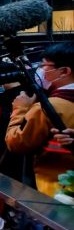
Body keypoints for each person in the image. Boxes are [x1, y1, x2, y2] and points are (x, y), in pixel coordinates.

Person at [5, 43, 74, 196]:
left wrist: (20, 109)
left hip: (55, 189)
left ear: (64, 71)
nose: (40, 71)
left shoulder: (47, 108)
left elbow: (16, 143)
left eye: (43, 66)